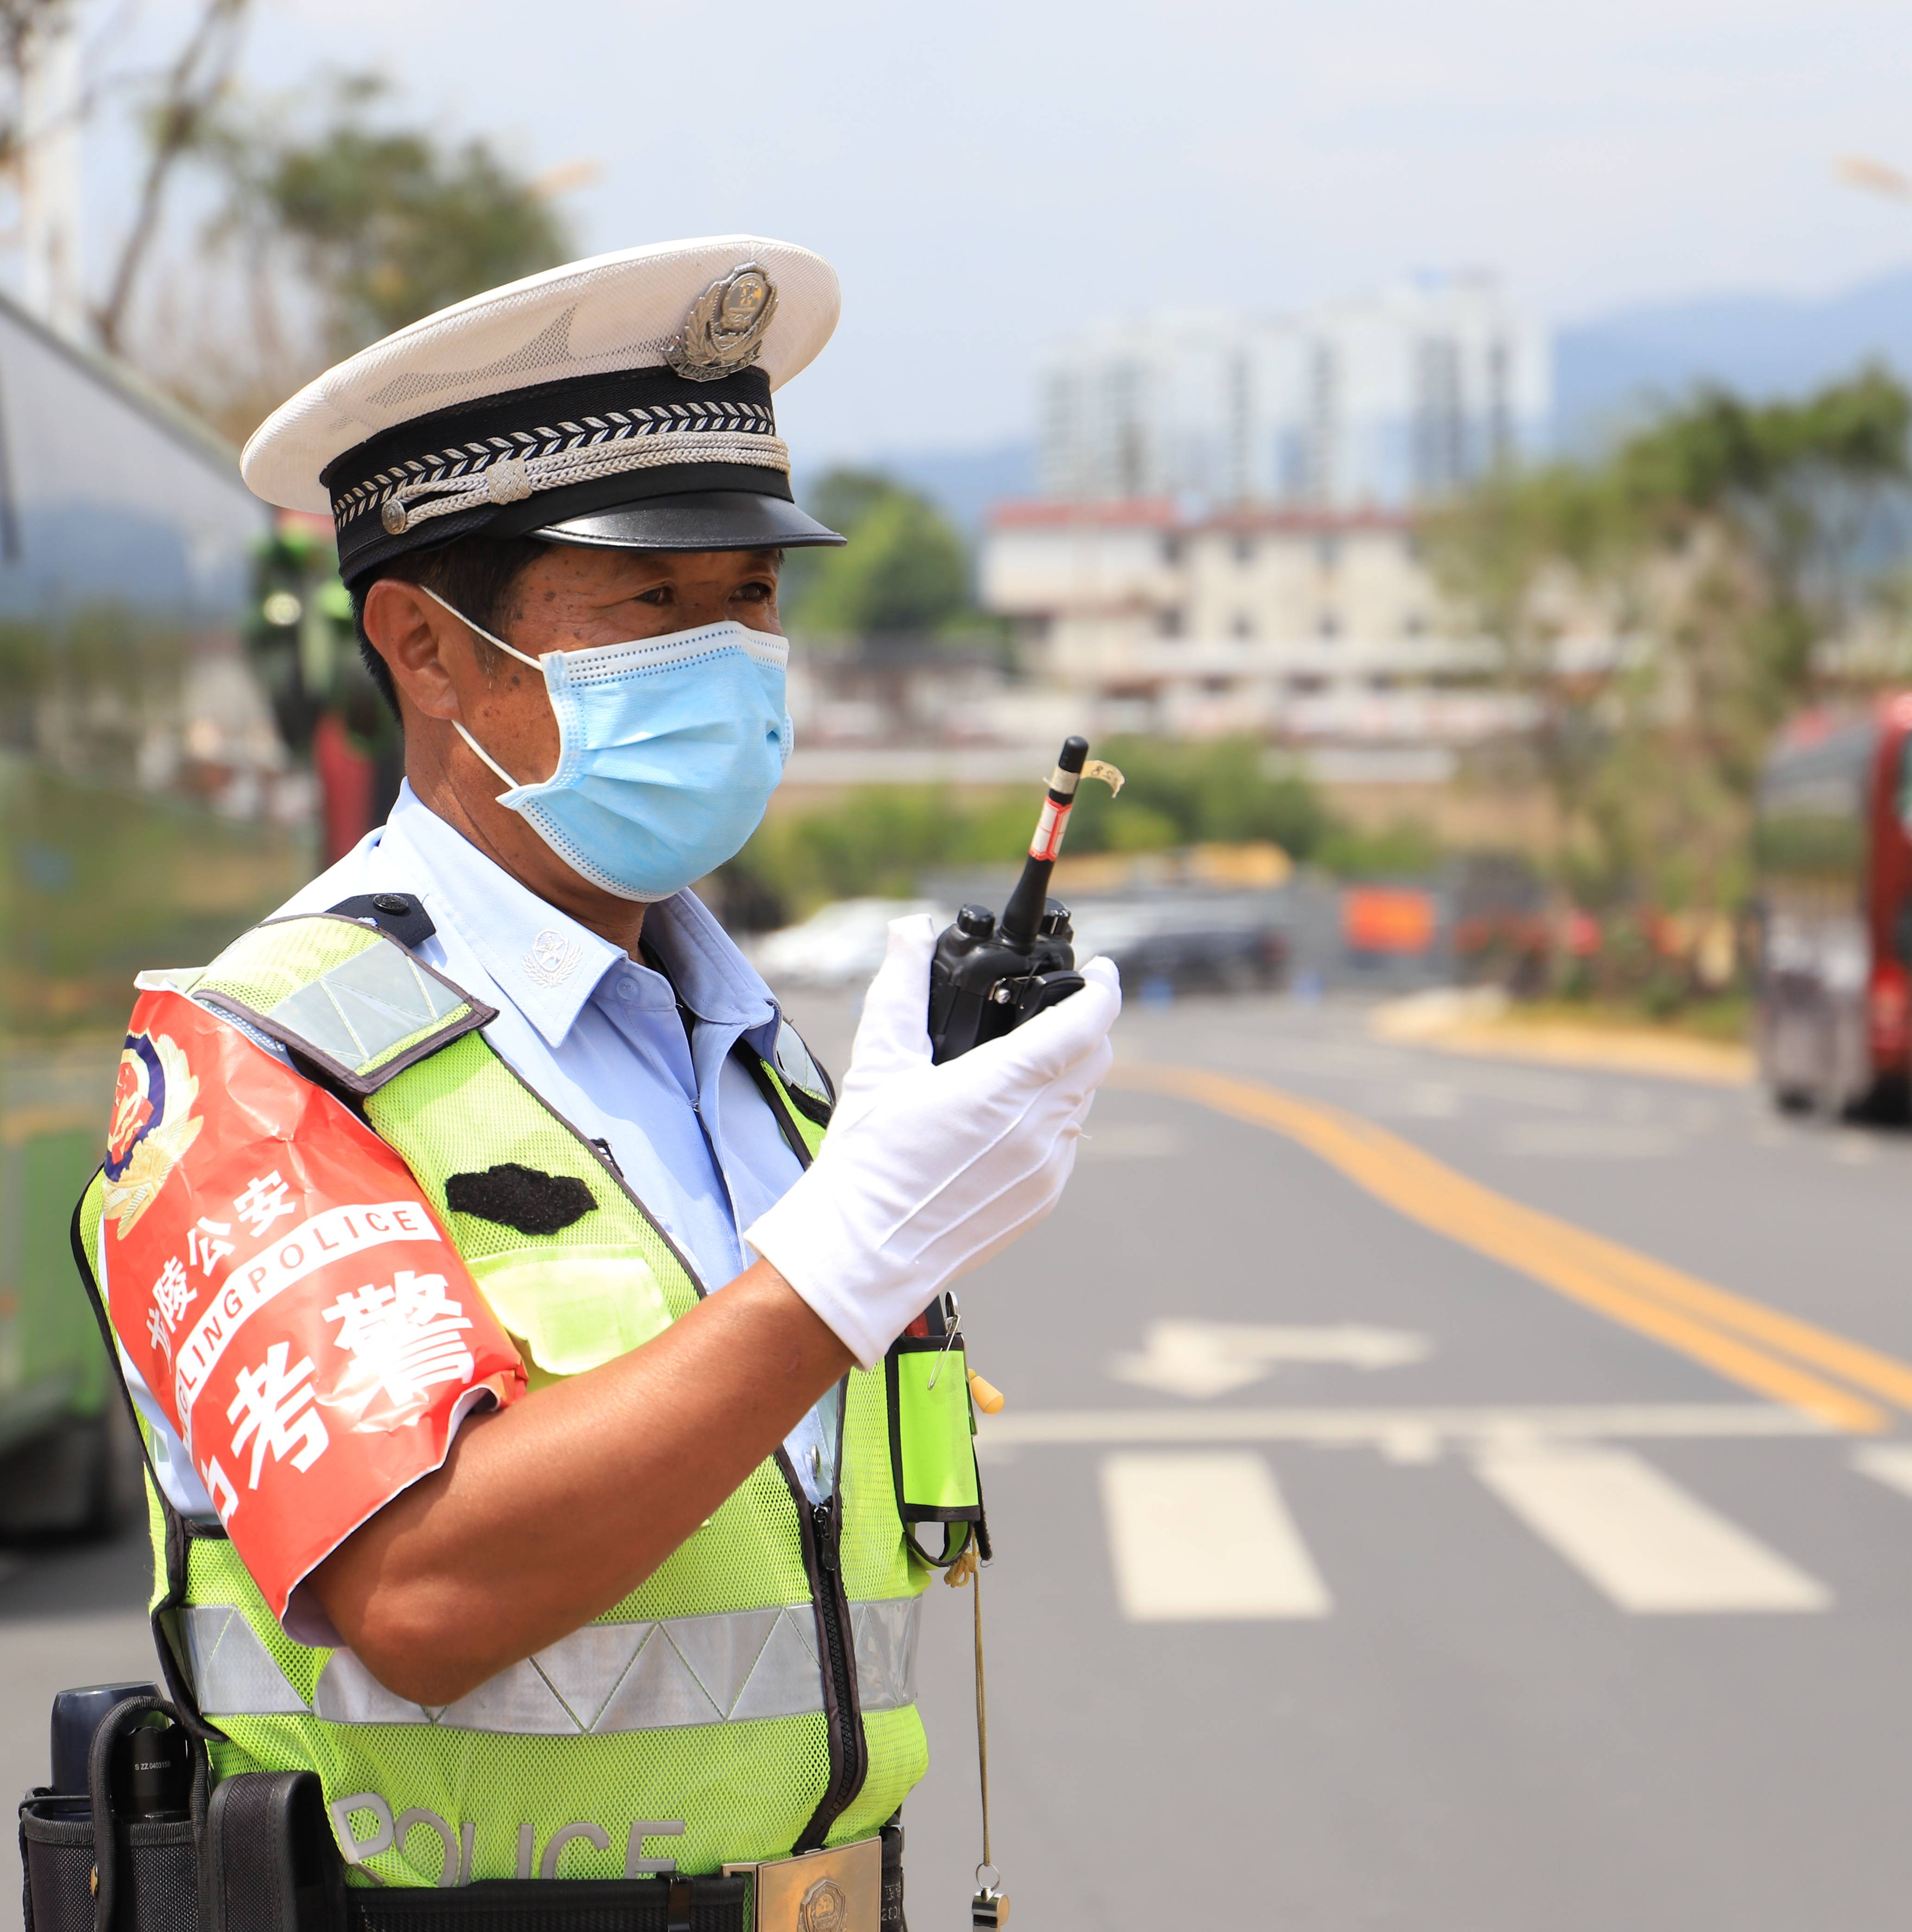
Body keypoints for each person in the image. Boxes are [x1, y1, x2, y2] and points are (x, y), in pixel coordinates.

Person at [75, 237, 1119, 1929]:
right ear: (423, 646)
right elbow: (420, 1587)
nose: (728, 663)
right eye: (651, 604)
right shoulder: (260, 1065)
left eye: (754, 600)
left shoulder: (747, 1048)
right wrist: (844, 1259)